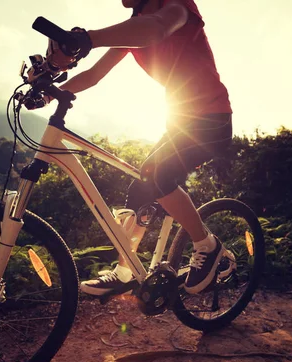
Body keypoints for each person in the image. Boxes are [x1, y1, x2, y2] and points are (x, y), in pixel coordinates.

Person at [43, 0, 232, 296]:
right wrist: (47, 94)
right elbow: (93, 76)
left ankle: (207, 245)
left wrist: (87, 38)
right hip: (181, 120)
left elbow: (156, 29)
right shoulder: (135, 27)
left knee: (159, 176)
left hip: (212, 119)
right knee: (142, 186)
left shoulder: (176, 7)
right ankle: (125, 271)